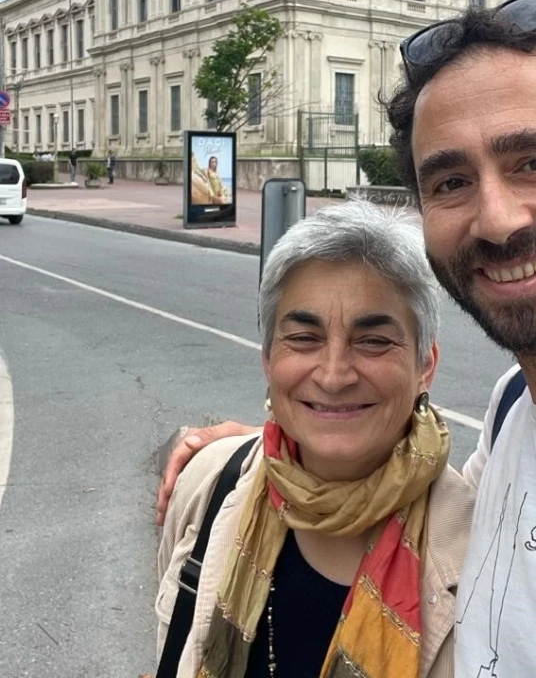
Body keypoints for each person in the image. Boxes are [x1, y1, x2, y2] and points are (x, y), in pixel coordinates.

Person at [160, 0, 536, 676]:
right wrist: (271, 441)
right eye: (452, 181)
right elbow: (421, 490)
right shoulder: (517, 405)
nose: (496, 219)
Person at [154, 199, 473, 678]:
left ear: (425, 364)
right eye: (304, 337)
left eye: (373, 340)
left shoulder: (479, 553)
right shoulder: (209, 482)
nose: (333, 374)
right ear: (268, 359)